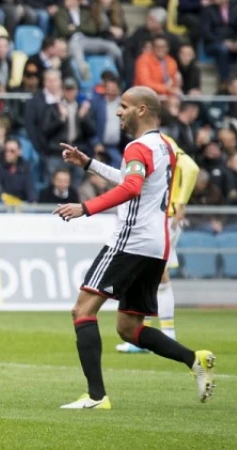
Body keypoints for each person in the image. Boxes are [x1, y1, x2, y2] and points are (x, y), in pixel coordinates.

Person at [53, 86, 215, 409]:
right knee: (129, 328)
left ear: (141, 110)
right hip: (155, 246)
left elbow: (131, 187)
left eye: (123, 106)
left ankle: (97, 398)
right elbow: (134, 180)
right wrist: (89, 164)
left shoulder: (137, 147)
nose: (117, 112)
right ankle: (193, 360)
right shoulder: (164, 147)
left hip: (130, 241)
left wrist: (85, 207)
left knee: (82, 310)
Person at [115, 134, 200, 353]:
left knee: (160, 276)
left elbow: (191, 168)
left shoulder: (162, 141)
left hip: (166, 216)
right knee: (146, 276)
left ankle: (167, 332)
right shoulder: (154, 142)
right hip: (158, 216)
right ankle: (142, 335)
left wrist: (180, 202)